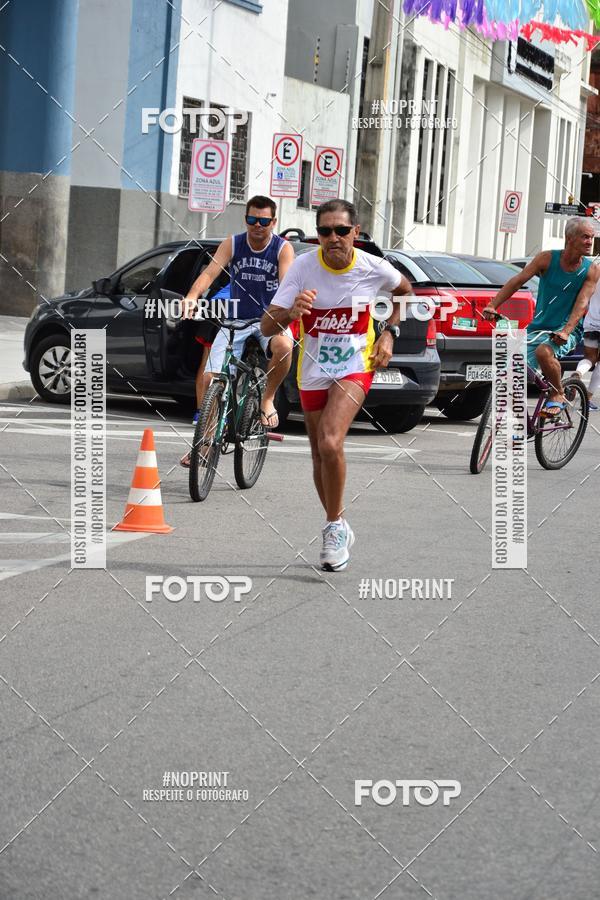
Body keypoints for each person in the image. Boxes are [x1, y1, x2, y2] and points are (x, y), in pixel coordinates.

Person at [261, 199, 413, 572]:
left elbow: (406, 291)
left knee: (331, 441)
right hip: (312, 369)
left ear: (355, 234)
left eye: (341, 231)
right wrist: (289, 313)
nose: (333, 238)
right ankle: (339, 521)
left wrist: (389, 334)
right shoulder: (302, 267)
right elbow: (267, 326)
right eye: (325, 232)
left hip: (355, 365)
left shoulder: (373, 267)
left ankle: (331, 529)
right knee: (318, 453)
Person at [180, 196, 295, 466]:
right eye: (252, 220)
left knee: (284, 348)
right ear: (246, 219)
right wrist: (192, 295)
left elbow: (287, 284)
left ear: (273, 222)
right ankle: (205, 443)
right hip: (236, 320)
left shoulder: (282, 248)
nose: (257, 225)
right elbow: (210, 273)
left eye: (264, 221)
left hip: (269, 318)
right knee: (210, 379)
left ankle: (267, 400)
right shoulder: (233, 243)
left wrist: (283, 314)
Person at [482, 217, 599, 417]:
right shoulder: (547, 258)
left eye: (592, 237)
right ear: (569, 238)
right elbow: (517, 281)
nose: (590, 241)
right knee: (511, 372)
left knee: (544, 352)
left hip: (567, 329)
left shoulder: (590, 269)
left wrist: (566, 331)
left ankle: (558, 393)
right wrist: (493, 304)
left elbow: (582, 303)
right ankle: (520, 423)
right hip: (537, 327)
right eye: (585, 237)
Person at [573, 271, 600, 410]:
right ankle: (587, 399)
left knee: (589, 357)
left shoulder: (595, 270)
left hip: (591, 322)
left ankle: (578, 374)